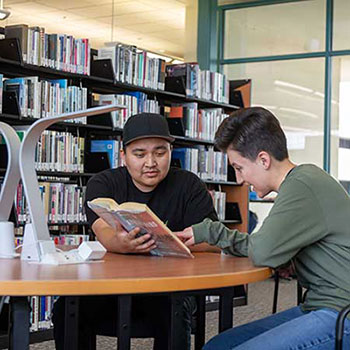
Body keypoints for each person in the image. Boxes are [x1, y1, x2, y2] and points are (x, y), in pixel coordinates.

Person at [176, 107, 350, 350]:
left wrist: (212, 231)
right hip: (321, 306)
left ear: (263, 160)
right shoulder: (302, 181)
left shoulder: (302, 185)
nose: (239, 179)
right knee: (218, 346)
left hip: (342, 314)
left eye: (238, 168)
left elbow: (263, 251)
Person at [52, 112, 219, 350]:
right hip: (110, 287)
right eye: (139, 154)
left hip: (169, 288)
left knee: (175, 308)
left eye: (160, 153)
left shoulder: (189, 185)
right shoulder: (103, 183)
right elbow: (102, 230)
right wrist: (119, 243)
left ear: (171, 151)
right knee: (66, 308)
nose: (150, 162)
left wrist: (174, 240)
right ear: (124, 156)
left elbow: (213, 240)